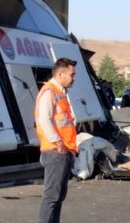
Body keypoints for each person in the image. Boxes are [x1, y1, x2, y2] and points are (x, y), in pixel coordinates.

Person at [35, 58, 78, 223]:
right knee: (52, 196)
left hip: (64, 150)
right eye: (72, 75)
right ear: (61, 74)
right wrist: (58, 142)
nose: (74, 78)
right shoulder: (49, 91)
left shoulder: (60, 92)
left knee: (58, 196)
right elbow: (44, 119)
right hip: (55, 151)